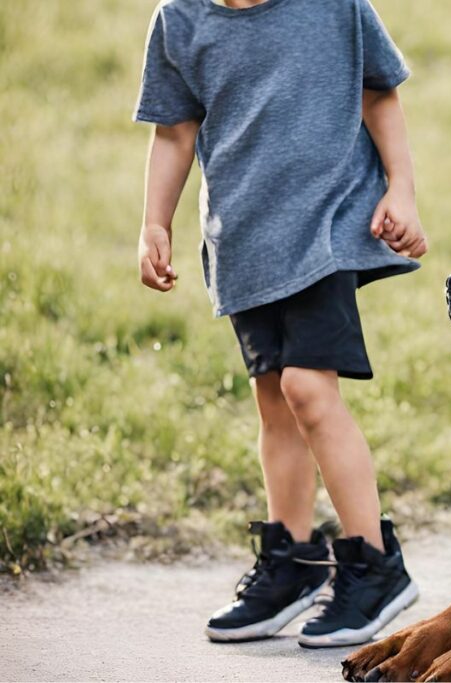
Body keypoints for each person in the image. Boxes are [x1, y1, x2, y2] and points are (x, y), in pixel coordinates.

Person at [133, 0, 425, 648]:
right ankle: (292, 560)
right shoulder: (181, 20)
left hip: (326, 225)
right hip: (243, 238)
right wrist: (156, 222)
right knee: (276, 403)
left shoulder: (334, 7)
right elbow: (175, 131)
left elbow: (379, 92)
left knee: (307, 389)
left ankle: (376, 565)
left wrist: (400, 186)